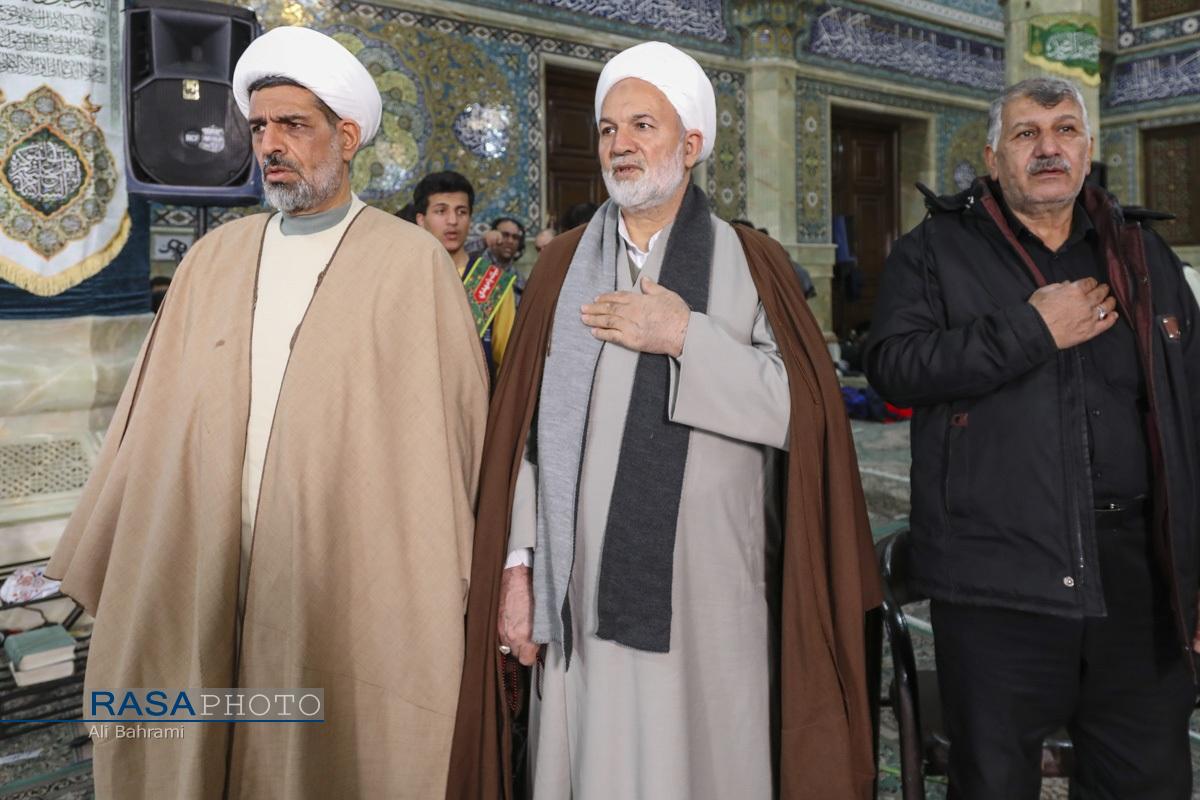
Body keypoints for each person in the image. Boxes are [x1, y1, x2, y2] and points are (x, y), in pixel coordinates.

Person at [46, 26, 487, 799]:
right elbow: (151, 425)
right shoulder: (214, 259)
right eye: (258, 128)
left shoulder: (410, 263)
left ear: (345, 138)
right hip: (206, 553)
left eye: (292, 125)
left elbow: (442, 440)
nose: (270, 145)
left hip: (335, 566)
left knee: (319, 750)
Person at [447, 40, 880, 800]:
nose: (621, 144)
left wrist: (686, 338)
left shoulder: (752, 262)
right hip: (576, 591)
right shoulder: (561, 267)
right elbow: (526, 438)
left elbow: (803, 413)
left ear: (691, 143)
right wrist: (517, 568)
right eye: (608, 129)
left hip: (714, 601)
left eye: (643, 125)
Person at [865, 77, 1200, 800]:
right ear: (993, 157)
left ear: (1088, 149)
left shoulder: (1142, 254)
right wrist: (1031, 329)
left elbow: (1190, 411)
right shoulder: (934, 252)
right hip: (997, 579)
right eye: (1026, 133)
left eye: (1065, 130)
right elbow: (893, 368)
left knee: (1148, 781)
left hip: (1137, 581)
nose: (1049, 147)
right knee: (993, 783)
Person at [415, 170, 518, 378]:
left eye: (461, 212)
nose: (453, 221)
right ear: (421, 219)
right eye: (441, 211)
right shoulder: (406, 277)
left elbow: (510, 365)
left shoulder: (492, 282)